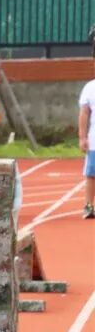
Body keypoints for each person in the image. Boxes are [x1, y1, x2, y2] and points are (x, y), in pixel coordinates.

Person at [80, 57, 95, 219]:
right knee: (91, 174)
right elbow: (84, 113)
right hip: (94, 141)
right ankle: (89, 206)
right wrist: (82, 137)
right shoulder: (90, 87)